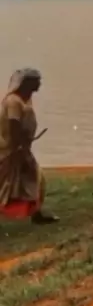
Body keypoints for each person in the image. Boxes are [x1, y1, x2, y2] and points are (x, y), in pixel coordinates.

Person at [0, 68, 58, 223]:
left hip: (20, 148)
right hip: (11, 150)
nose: (39, 83)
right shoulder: (13, 101)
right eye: (36, 81)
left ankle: (36, 213)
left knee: (35, 178)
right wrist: (19, 149)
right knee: (7, 185)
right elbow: (14, 125)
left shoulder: (25, 99)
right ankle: (36, 214)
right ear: (26, 83)